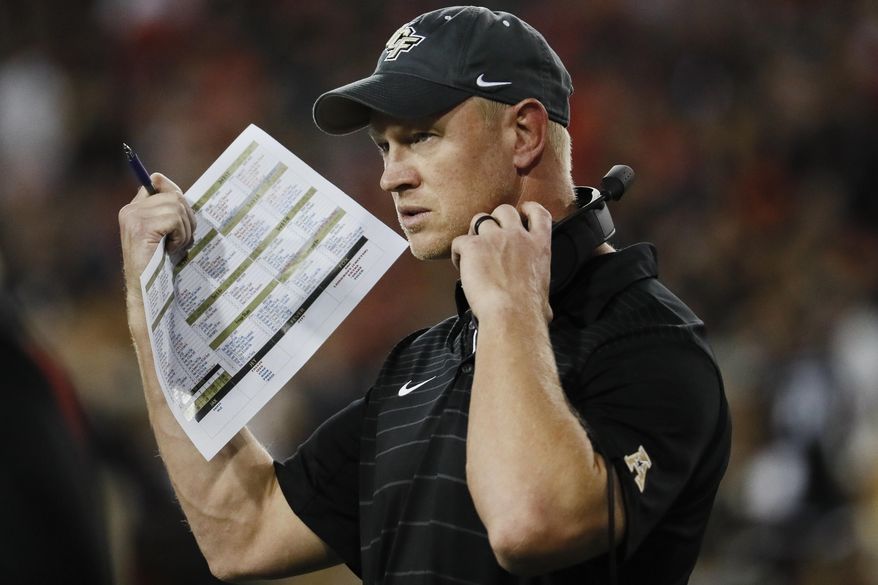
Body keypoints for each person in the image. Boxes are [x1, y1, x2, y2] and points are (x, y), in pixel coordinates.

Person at [118, 6, 731, 584]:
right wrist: (157, 305)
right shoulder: (424, 361)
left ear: (524, 132)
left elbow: (528, 524)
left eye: (421, 137)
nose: (391, 175)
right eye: (384, 146)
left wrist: (509, 308)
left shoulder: (650, 342)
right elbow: (242, 532)